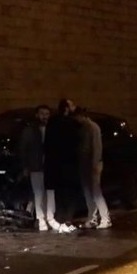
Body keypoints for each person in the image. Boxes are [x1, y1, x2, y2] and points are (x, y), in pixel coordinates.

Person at [42, 98, 79, 233]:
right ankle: (67, 221)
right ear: (67, 108)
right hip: (68, 165)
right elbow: (76, 145)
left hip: (55, 165)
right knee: (70, 194)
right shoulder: (72, 124)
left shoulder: (52, 122)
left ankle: (61, 220)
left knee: (60, 194)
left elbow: (47, 144)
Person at [75, 107, 111, 229]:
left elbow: (96, 147)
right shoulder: (85, 128)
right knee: (88, 192)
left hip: (91, 164)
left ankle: (105, 218)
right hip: (85, 164)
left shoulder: (92, 127)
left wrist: (95, 163)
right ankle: (92, 217)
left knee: (96, 192)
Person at [18, 104, 53, 231]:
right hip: (36, 166)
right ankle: (41, 219)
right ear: (37, 115)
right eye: (42, 113)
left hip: (49, 167)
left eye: (47, 114)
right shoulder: (30, 130)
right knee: (38, 194)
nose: (44, 116)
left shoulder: (51, 129)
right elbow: (23, 149)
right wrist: (25, 166)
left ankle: (49, 218)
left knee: (48, 195)